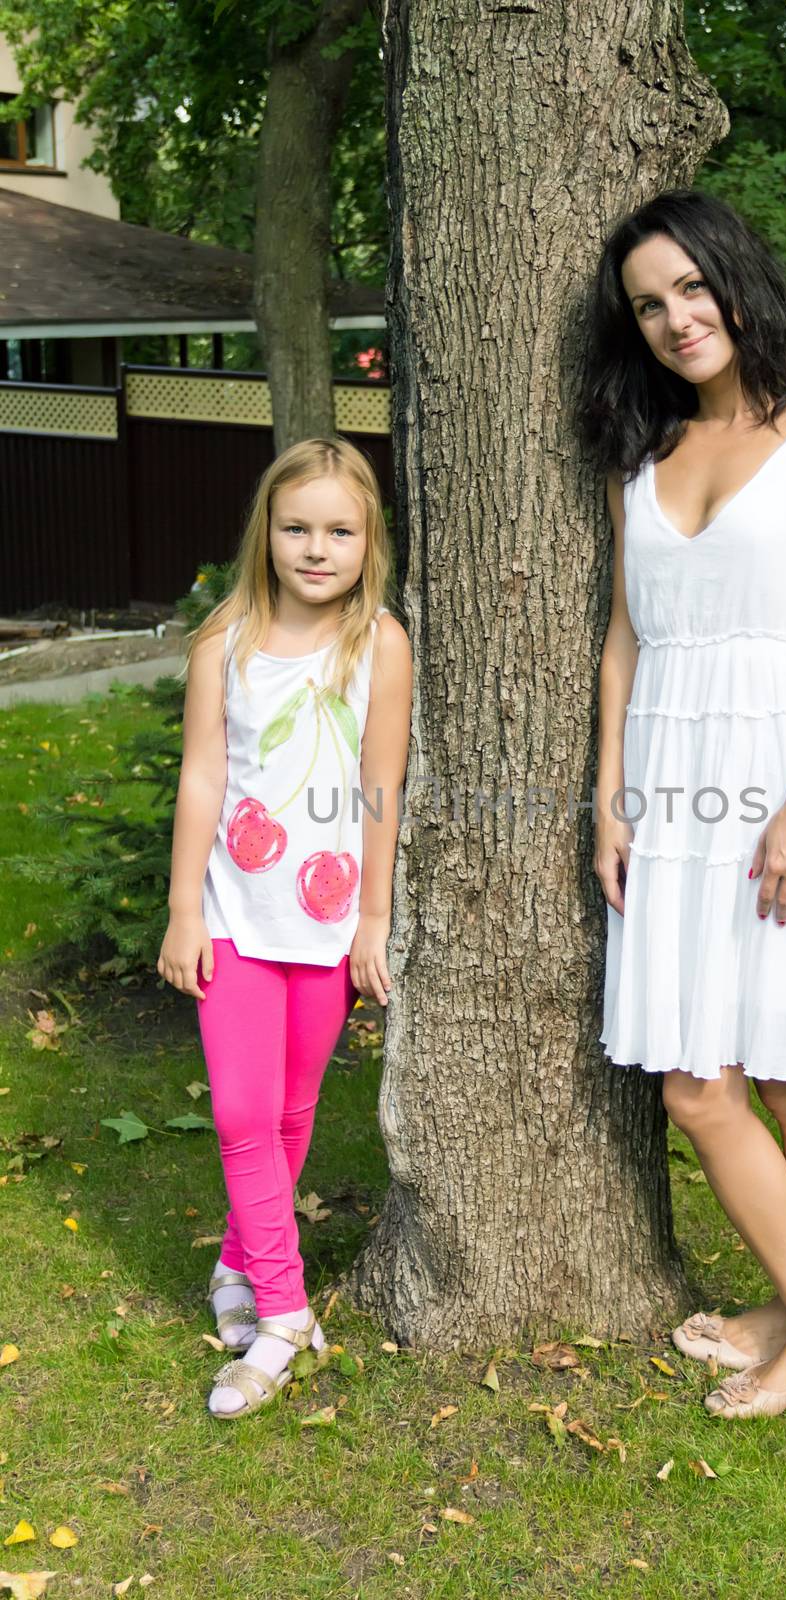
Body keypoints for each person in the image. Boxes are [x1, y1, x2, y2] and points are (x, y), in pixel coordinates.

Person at [577, 189, 786, 1420]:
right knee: (695, 1080)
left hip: (782, 780)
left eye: (688, 290)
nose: (671, 319)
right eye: (647, 305)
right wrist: (609, 794)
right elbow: (622, 637)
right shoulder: (644, 451)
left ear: (733, 281)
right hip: (666, 790)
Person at [157, 436, 412, 1419]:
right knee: (236, 1114)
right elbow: (202, 776)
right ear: (265, 530)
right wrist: (185, 909)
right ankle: (283, 1310)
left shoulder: (376, 643)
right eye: (296, 527)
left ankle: (235, 1258)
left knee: (291, 1113)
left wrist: (374, 918)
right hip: (233, 915)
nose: (315, 548)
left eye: (338, 530)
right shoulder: (222, 640)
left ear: (367, 540)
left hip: (327, 922)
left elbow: (381, 788)